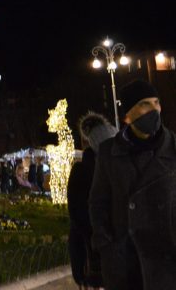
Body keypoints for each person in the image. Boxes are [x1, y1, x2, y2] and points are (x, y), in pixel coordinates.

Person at [90, 79, 176, 290]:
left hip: (168, 264)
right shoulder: (109, 152)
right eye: (145, 104)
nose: (154, 110)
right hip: (126, 265)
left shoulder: (173, 148)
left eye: (156, 102)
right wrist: (107, 247)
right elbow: (98, 203)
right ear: (128, 116)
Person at [68, 112, 116, 289]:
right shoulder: (119, 166)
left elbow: (76, 216)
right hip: (114, 253)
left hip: (93, 253)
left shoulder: (82, 170)